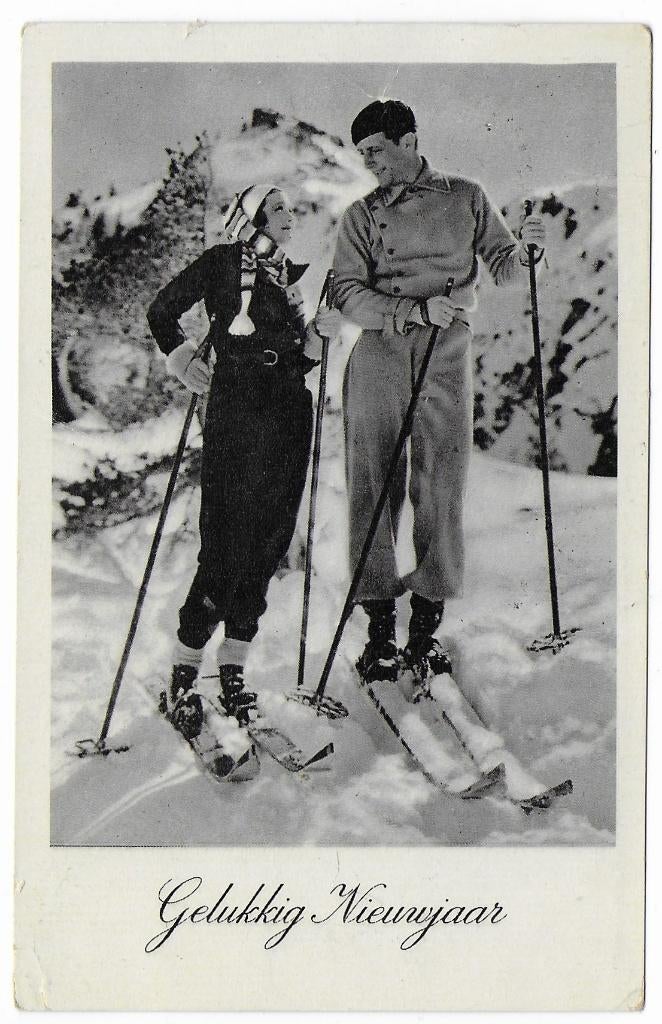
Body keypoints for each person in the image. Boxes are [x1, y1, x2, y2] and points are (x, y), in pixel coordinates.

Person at [332, 99, 546, 690]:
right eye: (362, 156)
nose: (370, 164)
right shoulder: (360, 215)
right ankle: (379, 631)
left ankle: (425, 629)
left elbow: (504, 262)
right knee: (372, 485)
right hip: (380, 352)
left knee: (442, 481)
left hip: (446, 352)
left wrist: (525, 252)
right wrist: (408, 307)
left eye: (376, 150)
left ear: (409, 139)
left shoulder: (467, 196)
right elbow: (348, 293)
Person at [147, 184, 341, 736]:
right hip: (238, 405)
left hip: (287, 408)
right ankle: (184, 674)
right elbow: (162, 310)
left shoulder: (287, 282)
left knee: (269, 539)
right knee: (228, 538)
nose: (290, 215)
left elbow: (297, 360)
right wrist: (182, 357)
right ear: (252, 216)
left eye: (289, 208)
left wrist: (317, 340)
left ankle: (232, 669)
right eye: (277, 207)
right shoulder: (224, 262)